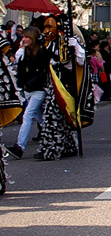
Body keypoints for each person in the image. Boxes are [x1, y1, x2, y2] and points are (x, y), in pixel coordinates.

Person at [36, 14, 84, 160]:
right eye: (45, 27)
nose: (46, 31)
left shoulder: (68, 42)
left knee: (52, 117)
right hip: (52, 86)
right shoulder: (48, 44)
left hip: (65, 86)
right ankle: (69, 146)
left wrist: (74, 47)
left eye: (49, 27)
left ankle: (50, 149)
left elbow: (81, 62)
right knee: (60, 117)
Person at [6, 26, 48, 159]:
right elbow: (19, 68)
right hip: (28, 89)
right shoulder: (25, 52)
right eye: (22, 37)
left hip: (39, 89)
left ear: (33, 38)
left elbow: (42, 72)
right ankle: (54, 139)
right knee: (42, 119)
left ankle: (20, 147)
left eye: (26, 37)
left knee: (28, 115)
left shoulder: (41, 53)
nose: (23, 39)